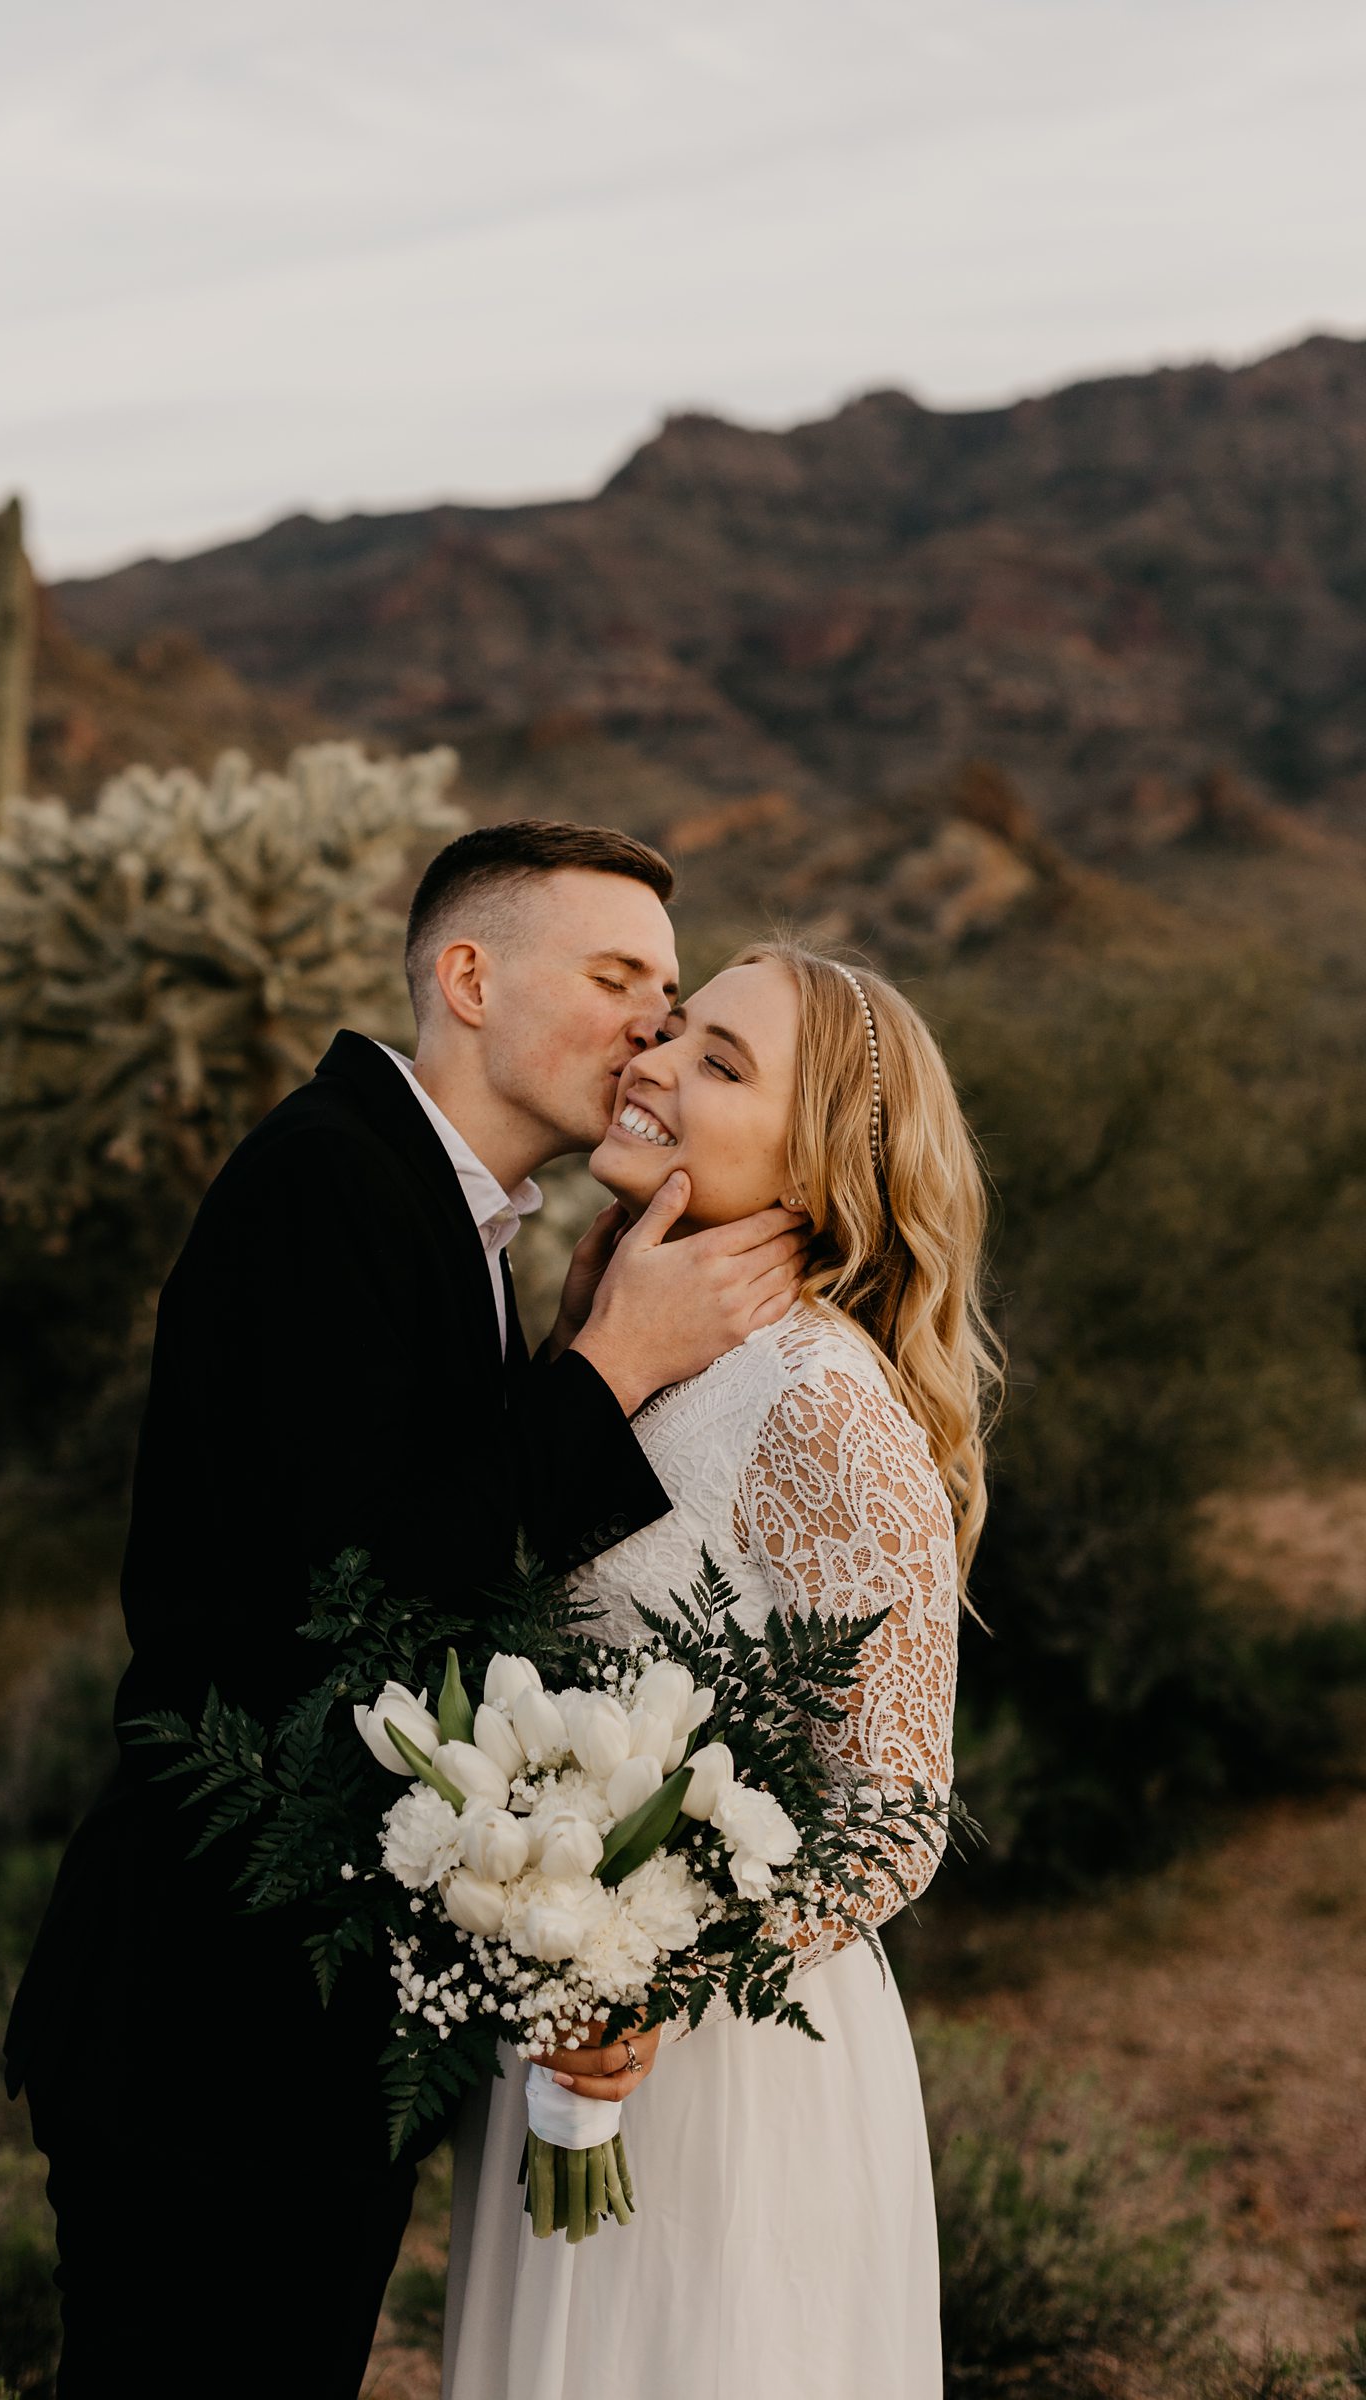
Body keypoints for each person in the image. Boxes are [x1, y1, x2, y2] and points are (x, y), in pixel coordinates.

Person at [3, 822, 810, 2400]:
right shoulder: (328, 1184)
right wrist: (611, 1371)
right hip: (209, 2020)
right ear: (466, 977)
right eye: (615, 978)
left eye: (671, 992)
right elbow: (355, 1600)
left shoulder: (454, 1220)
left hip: (289, 2023)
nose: (653, 1024)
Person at [443, 940, 999, 2400]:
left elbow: (897, 1808)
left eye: (719, 1063)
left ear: (813, 1176)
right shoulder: (622, 1331)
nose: (652, 1065)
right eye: (672, 1033)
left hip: (725, 2063)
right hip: (562, 2036)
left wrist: (656, 1982)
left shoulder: (818, 1401)